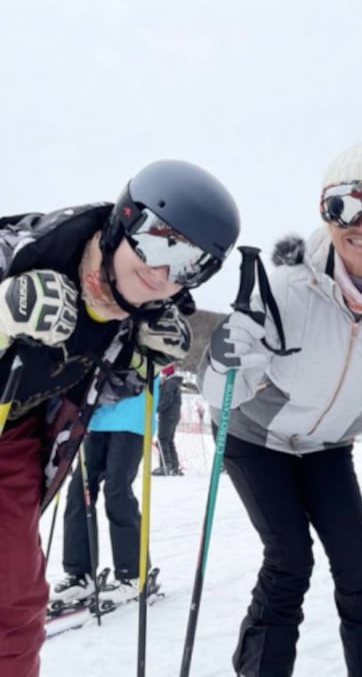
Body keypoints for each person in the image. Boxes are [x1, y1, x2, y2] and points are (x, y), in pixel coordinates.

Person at [200, 142, 362, 677]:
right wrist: (224, 354)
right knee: (289, 560)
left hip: (329, 447)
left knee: (359, 569)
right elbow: (217, 389)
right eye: (345, 206)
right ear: (325, 211)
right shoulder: (284, 288)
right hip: (257, 438)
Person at [0, 160, 240, 677]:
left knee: (15, 600)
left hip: (13, 437)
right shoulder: (23, 251)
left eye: (190, 266)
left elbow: (89, 387)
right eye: (157, 242)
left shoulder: (136, 312)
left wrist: (137, 364)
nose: (161, 274)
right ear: (122, 221)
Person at [50, 380, 159, 608]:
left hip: (132, 416)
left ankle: (132, 573)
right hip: (95, 416)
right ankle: (80, 573)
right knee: (80, 489)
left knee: (117, 489)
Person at [153, 365, 184, 476]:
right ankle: (174, 466)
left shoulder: (170, 383)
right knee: (169, 440)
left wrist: (155, 409)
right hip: (173, 415)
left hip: (168, 415)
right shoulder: (173, 383)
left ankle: (165, 466)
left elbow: (167, 398)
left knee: (162, 439)